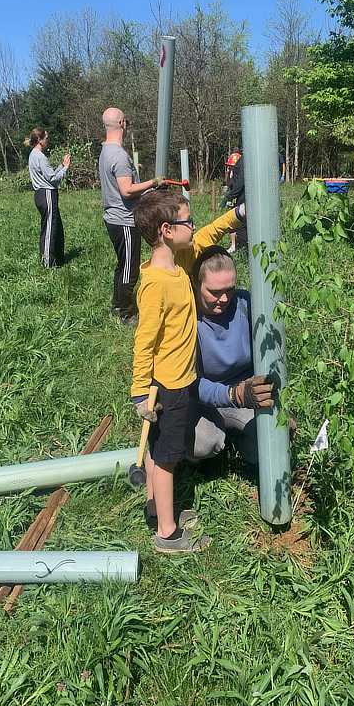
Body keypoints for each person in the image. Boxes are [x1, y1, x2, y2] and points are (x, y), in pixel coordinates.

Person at [131, 193, 245, 554]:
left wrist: (237, 216)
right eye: (187, 221)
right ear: (166, 230)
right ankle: (168, 533)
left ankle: (157, 507)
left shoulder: (177, 264)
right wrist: (139, 392)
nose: (193, 227)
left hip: (180, 380)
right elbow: (144, 341)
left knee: (160, 448)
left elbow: (208, 235)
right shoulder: (155, 284)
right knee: (167, 457)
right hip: (171, 385)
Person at [190, 246, 274, 465]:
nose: (224, 298)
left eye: (230, 289)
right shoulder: (187, 319)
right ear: (196, 285)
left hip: (246, 393)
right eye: (214, 292)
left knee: (274, 439)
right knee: (203, 442)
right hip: (204, 401)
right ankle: (203, 455)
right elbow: (190, 383)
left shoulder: (246, 303)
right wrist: (233, 394)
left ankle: (239, 442)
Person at [99, 107, 166, 324]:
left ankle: (117, 304)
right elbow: (127, 190)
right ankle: (126, 313)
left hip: (113, 217)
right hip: (124, 220)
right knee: (130, 268)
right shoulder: (118, 155)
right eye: (126, 120)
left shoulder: (106, 151)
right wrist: (154, 183)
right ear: (122, 123)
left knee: (122, 265)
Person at [27, 128, 70, 268]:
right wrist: (65, 168)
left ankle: (57, 259)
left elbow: (49, 175)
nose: (48, 140)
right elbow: (53, 179)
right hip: (46, 195)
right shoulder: (40, 156)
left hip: (42, 194)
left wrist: (61, 166)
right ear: (39, 140)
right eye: (46, 138)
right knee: (50, 229)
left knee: (54, 226)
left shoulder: (34, 155)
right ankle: (48, 263)